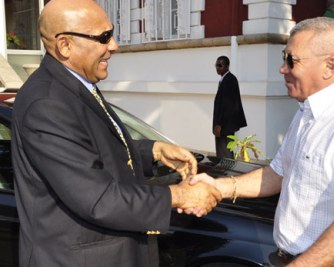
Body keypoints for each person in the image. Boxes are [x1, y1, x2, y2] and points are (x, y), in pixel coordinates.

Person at [11, 0, 221, 266]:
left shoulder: (74, 85)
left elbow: (93, 147)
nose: (114, 46)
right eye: (103, 37)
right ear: (65, 45)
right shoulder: (47, 103)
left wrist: (153, 150)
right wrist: (179, 195)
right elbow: (98, 199)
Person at [193, 17, 334, 266]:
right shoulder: (306, 112)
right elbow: (277, 173)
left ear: (329, 66)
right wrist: (217, 187)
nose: (282, 68)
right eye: (283, 57)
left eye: (291, 60)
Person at [213, 55, 247, 159]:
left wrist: (219, 124)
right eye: (216, 65)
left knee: (225, 154)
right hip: (224, 125)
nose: (217, 68)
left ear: (227, 66)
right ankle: (224, 173)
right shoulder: (225, 79)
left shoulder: (229, 80)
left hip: (225, 126)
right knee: (222, 153)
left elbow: (228, 105)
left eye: (220, 65)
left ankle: (227, 174)